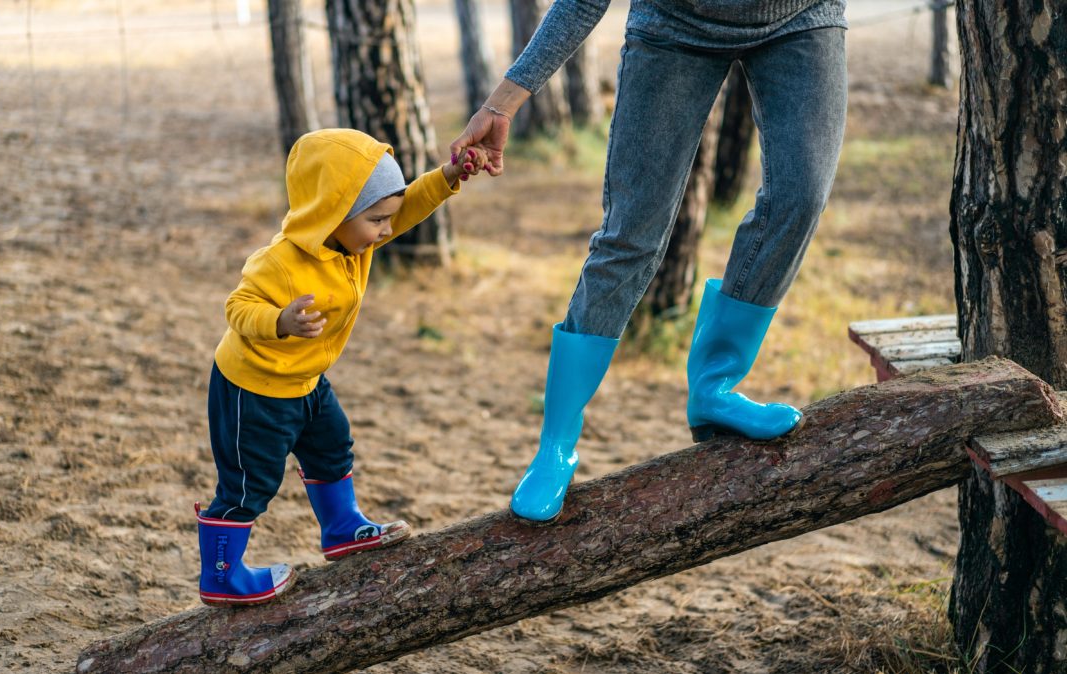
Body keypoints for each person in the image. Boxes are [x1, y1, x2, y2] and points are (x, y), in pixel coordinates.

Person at [451, 1, 848, 522]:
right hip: (674, 25)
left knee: (799, 200)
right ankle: (556, 447)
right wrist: (503, 103)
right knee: (630, 238)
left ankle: (715, 387)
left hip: (803, 16)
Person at [196, 128, 489, 606]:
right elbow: (237, 306)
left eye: (386, 219)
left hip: (307, 381)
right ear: (333, 212)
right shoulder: (281, 262)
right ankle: (222, 575)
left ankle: (341, 528)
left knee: (333, 446)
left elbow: (407, 207)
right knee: (251, 483)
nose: (386, 230)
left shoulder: (356, 240)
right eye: (376, 219)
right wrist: (280, 320)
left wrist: (449, 175)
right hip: (255, 389)